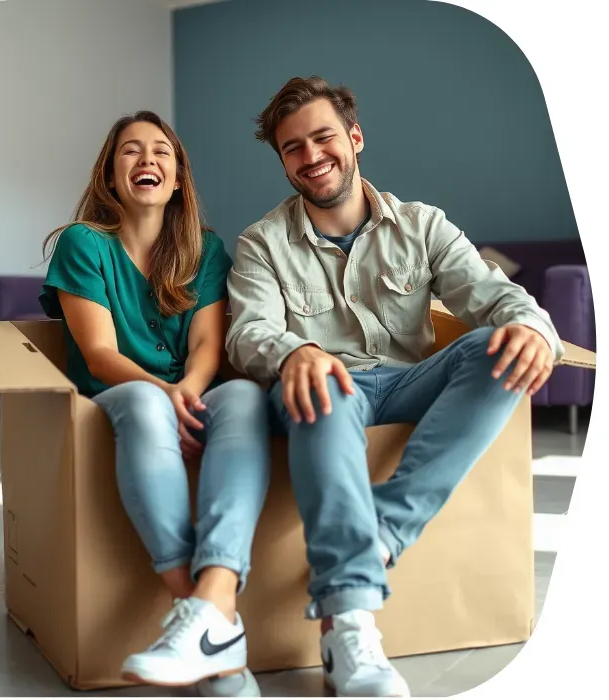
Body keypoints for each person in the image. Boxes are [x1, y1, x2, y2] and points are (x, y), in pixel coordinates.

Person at [225, 76, 564, 698]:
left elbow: (495, 297)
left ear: (354, 137)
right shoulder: (261, 242)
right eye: (292, 148)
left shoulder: (423, 224)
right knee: (326, 381)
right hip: (322, 392)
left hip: (409, 382)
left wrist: (534, 327)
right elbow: (248, 331)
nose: (311, 156)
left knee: (500, 344)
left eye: (323, 137)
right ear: (283, 161)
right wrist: (294, 350)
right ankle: (349, 624)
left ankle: (383, 531)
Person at [39, 110, 270, 697]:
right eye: (130, 151)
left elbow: (206, 348)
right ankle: (200, 616)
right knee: (143, 401)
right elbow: (97, 352)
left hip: (189, 392)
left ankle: (212, 611)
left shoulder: (207, 250)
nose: (147, 160)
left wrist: (186, 392)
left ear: (178, 177)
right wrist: (165, 394)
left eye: (161, 152)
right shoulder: (83, 243)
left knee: (244, 396)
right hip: (121, 393)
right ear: (111, 175)